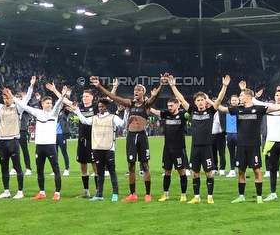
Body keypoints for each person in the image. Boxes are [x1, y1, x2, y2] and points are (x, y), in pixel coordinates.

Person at [212, 76, 280, 204]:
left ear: (248, 97)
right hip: (241, 146)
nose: (240, 98)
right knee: (241, 171)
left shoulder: (258, 109)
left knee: (257, 171)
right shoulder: (237, 109)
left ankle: (259, 197)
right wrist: (224, 87)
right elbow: (218, 106)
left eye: (241, 95)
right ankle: (241, 196)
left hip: (254, 146)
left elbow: (274, 108)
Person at [92, 73, 167, 202]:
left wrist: (162, 84)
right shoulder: (129, 103)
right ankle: (133, 194)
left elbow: (155, 97)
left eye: (139, 90)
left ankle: (147, 194)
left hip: (142, 136)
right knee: (131, 166)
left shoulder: (146, 105)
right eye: (135, 90)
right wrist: (99, 86)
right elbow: (113, 97)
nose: (136, 92)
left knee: (145, 165)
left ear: (143, 93)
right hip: (131, 137)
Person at [0, 77, 34, 199]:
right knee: (4, 167)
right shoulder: (1, 108)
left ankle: (20, 191)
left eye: (7, 98)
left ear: (12, 98)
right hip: (2, 141)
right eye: (4, 98)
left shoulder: (17, 108)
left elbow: (27, 99)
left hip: (13, 140)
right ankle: (6, 191)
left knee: (17, 166)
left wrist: (31, 86)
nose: (5, 100)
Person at [16, 81, 69, 200]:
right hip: (39, 146)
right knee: (40, 170)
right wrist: (12, 97)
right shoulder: (38, 113)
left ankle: (57, 193)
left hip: (50, 145)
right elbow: (24, 106)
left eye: (51, 103)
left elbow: (58, 104)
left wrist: (63, 95)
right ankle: (42, 192)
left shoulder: (54, 114)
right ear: (42, 104)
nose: (50, 105)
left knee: (56, 169)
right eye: (47, 103)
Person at [72, 98, 124, 201]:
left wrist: (126, 113)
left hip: (109, 148)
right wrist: (76, 109)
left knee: (112, 171)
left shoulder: (113, 117)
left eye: (102, 106)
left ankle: (115, 193)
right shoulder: (94, 118)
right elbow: (83, 120)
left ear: (107, 107)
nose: (100, 108)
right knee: (99, 172)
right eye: (99, 107)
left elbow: (122, 124)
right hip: (97, 148)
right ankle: (99, 194)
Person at [150, 78, 191, 202]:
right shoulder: (166, 114)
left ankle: (183, 194)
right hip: (167, 148)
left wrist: (174, 87)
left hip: (179, 148)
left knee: (181, 171)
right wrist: (150, 101)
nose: (169, 107)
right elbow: (154, 111)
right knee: (167, 172)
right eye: (168, 106)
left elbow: (189, 111)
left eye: (171, 105)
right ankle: (165, 194)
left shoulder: (183, 115)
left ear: (177, 105)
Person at [72, 88, 99, 198]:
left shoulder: (96, 107)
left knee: (94, 164)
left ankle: (98, 190)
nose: (84, 98)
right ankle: (86, 190)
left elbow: (109, 99)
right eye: (83, 96)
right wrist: (56, 90)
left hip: (92, 139)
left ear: (92, 97)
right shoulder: (80, 108)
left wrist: (115, 87)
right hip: (81, 139)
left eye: (87, 96)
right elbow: (67, 102)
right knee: (82, 164)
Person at [224, 94, 239, 177]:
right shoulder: (227, 110)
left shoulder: (241, 109)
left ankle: (241, 169)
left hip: (238, 134)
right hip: (229, 134)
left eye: (235, 100)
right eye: (232, 100)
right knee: (231, 153)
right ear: (230, 101)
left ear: (238, 101)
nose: (234, 101)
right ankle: (232, 170)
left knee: (240, 153)